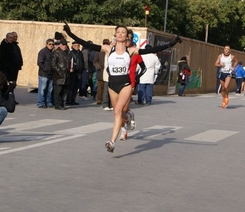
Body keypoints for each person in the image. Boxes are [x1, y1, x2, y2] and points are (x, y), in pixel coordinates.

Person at [63, 22, 182, 152]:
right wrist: (69, 33)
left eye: (123, 32)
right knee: (119, 113)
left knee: (117, 111)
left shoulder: (131, 50)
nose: (120, 34)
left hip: (125, 84)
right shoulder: (109, 49)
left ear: (127, 37)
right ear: (115, 34)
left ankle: (112, 142)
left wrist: (172, 43)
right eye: (118, 32)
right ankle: (129, 117)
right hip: (112, 84)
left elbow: (152, 50)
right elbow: (87, 44)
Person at [51, 38, 70, 110]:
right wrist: (59, 72)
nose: (64, 46)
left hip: (66, 75)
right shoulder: (56, 53)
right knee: (58, 91)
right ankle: (57, 105)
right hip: (59, 76)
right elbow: (53, 64)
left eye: (65, 45)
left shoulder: (68, 53)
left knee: (64, 91)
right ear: (60, 45)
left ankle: (62, 104)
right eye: (63, 45)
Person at [37, 38, 54, 108]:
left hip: (51, 74)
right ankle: (40, 103)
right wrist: (46, 69)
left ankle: (48, 102)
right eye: (50, 44)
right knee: (42, 89)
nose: (51, 45)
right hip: (43, 74)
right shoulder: (43, 52)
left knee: (50, 89)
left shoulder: (53, 52)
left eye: (52, 44)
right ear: (46, 44)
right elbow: (39, 63)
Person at [93, 39, 110, 105]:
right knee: (100, 87)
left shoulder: (110, 51)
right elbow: (95, 61)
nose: (105, 45)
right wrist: (99, 67)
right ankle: (99, 99)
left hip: (108, 72)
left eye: (107, 43)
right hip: (101, 71)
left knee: (107, 87)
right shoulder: (99, 52)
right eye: (104, 43)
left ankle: (106, 99)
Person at [66, 41, 83, 105]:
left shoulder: (80, 53)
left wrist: (82, 68)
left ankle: (73, 99)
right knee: (71, 87)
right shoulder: (71, 53)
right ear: (72, 46)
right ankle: (68, 99)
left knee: (76, 87)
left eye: (78, 45)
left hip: (79, 72)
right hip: (72, 72)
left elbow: (82, 61)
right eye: (75, 45)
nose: (77, 47)